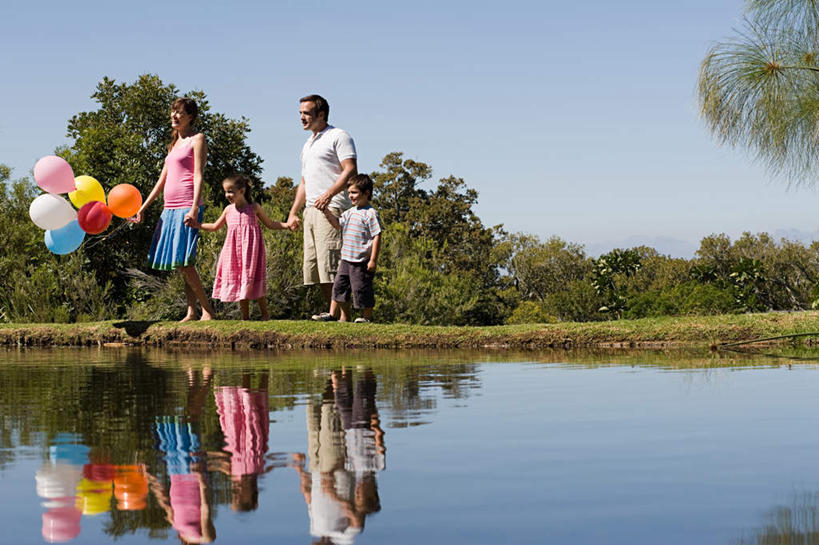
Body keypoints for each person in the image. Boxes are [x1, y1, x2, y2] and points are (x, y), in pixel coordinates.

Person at [133, 97, 215, 322]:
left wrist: (193, 208)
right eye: (173, 111)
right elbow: (162, 180)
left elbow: (198, 175)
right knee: (181, 263)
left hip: (186, 206)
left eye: (179, 112)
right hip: (169, 209)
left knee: (185, 262)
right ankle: (191, 311)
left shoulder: (197, 139)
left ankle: (207, 310)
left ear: (190, 116)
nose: (174, 115)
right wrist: (142, 208)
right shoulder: (173, 145)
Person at [286, 94, 358, 321]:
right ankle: (332, 314)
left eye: (306, 113)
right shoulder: (308, 144)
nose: (301, 118)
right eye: (300, 113)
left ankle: (344, 316)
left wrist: (328, 195)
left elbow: (350, 169)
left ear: (321, 114)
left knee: (334, 264)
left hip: (333, 208)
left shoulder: (339, 136)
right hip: (311, 210)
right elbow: (305, 182)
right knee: (318, 268)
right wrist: (293, 211)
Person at [193, 174, 288, 320]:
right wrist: (197, 225)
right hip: (233, 253)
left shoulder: (254, 208)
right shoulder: (228, 210)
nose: (227, 195)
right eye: (225, 191)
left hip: (251, 252)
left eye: (231, 191)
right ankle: (245, 317)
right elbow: (214, 226)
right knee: (240, 281)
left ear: (242, 191)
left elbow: (270, 224)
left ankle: (265, 315)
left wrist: (287, 225)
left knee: (253, 280)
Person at [321, 175, 382, 323]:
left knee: (362, 289)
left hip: (361, 261)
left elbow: (377, 236)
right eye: (349, 193)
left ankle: (367, 317)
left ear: (366, 193)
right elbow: (338, 225)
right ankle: (338, 316)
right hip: (346, 260)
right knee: (339, 288)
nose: (351, 196)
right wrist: (326, 211)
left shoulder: (371, 213)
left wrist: (373, 260)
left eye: (354, 193)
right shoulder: (349, 212)